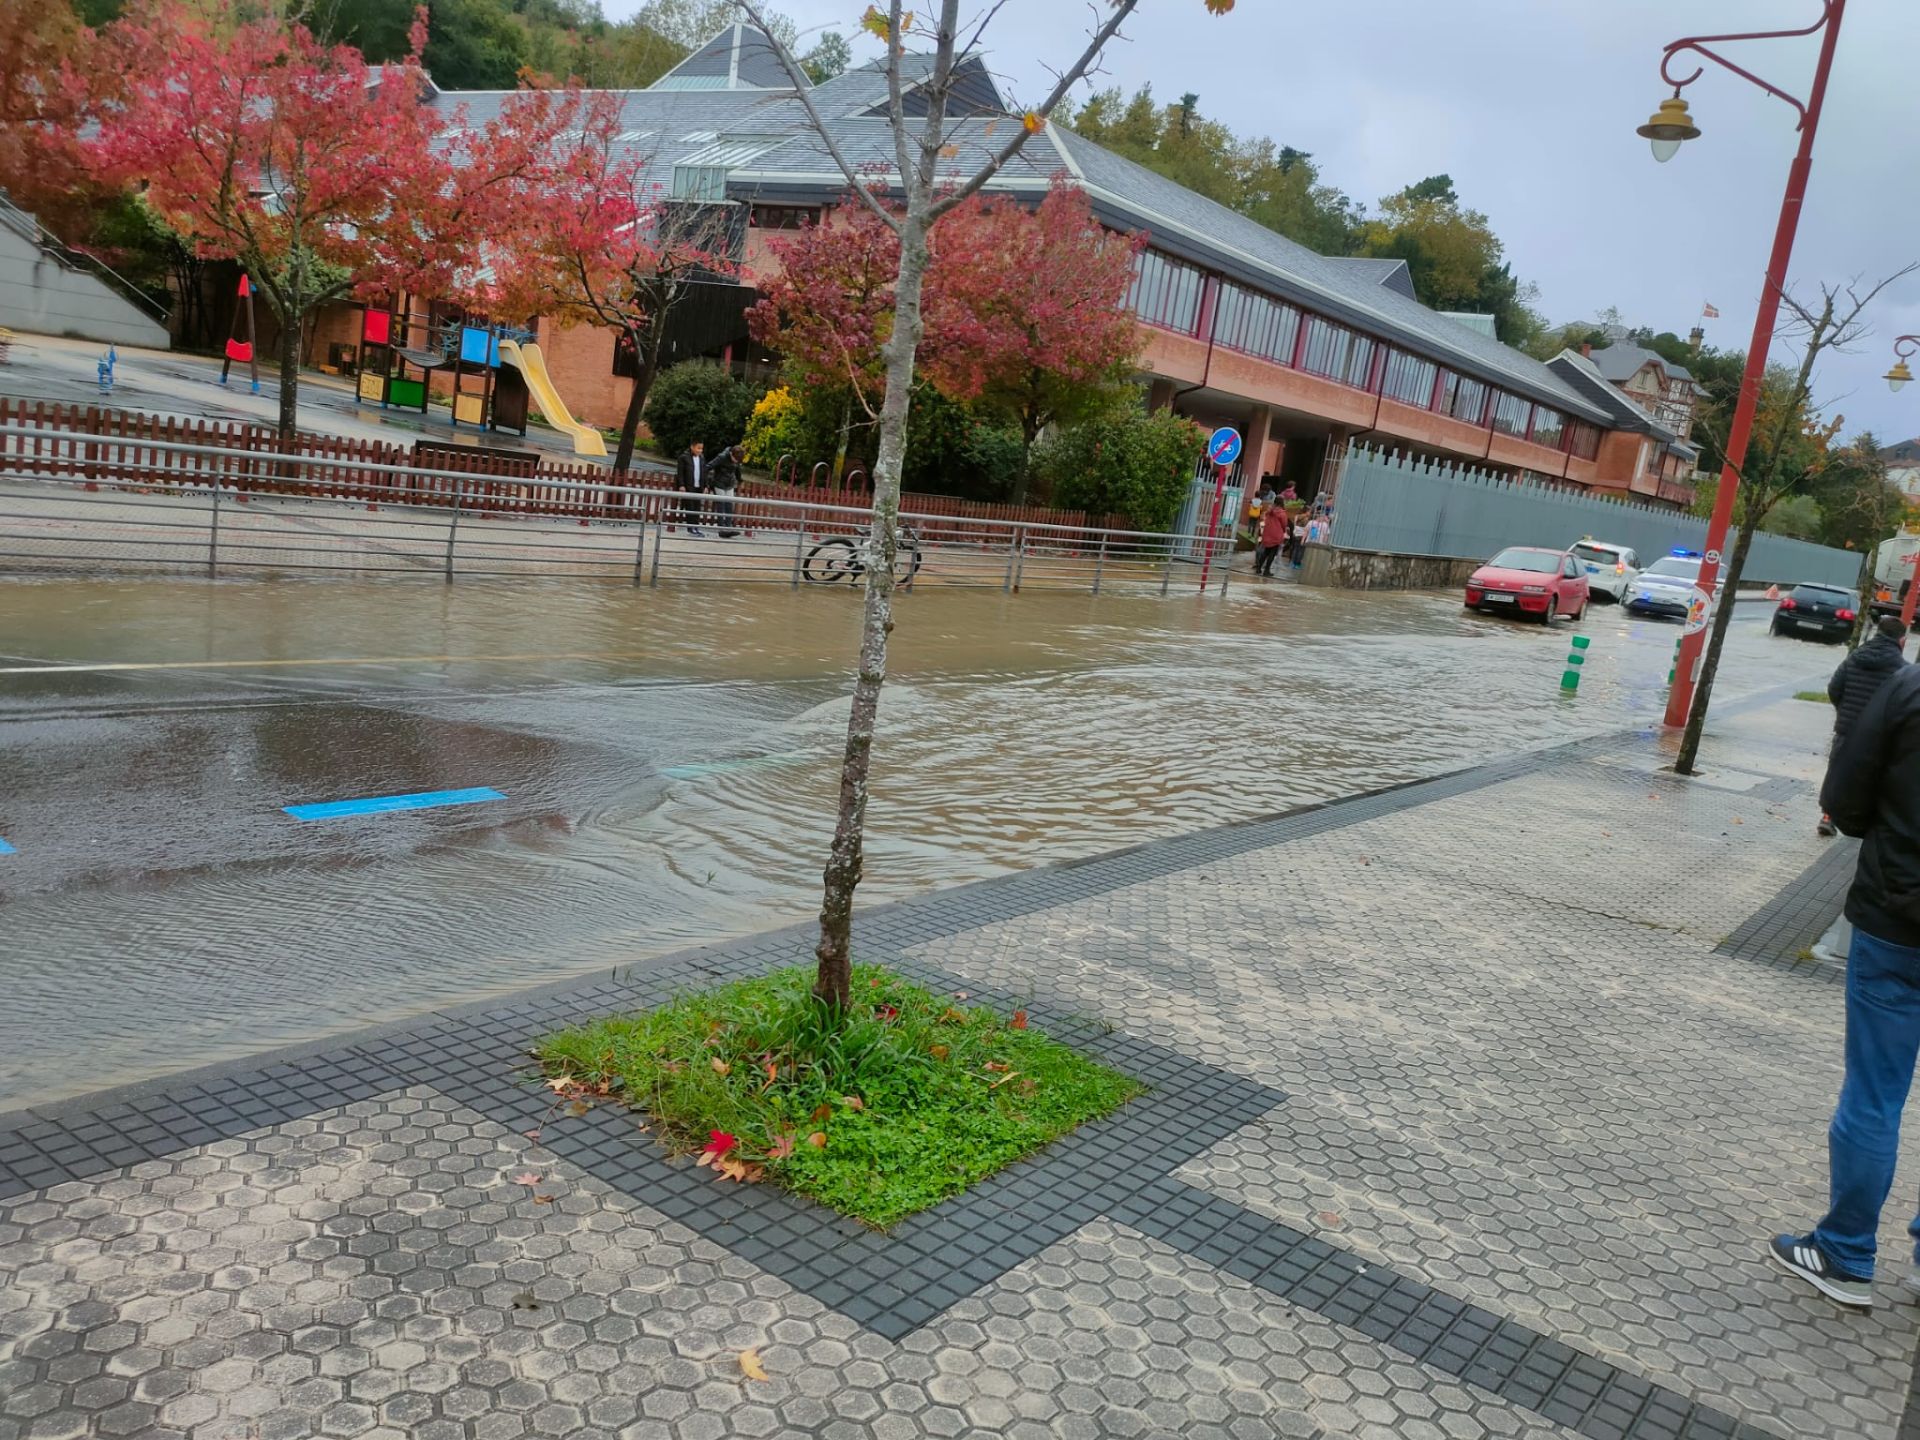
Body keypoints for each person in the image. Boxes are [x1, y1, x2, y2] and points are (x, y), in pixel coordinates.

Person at [1772, 639, 1920, 1309]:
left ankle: (1845, 1252)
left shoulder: (1909, 690)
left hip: (1898, 921)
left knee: (1873, 1094)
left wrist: (1882, 834)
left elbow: (1846, 793)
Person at [1821, 617, 1909, 835]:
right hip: (1876, 734)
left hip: (1846, 728)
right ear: (1902, 640)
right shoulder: (1901, 669)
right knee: (1869, 776)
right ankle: (1862, 820)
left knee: (1837, 771)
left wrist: (1844, 712)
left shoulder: (1855, 657)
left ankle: (1827, 816)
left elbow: (1834, 688)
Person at [707, 444, 743, 539]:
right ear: (731, 454)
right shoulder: (721, 457)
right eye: (735, 459)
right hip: (719, 483)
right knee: (721, 504)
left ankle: (728, 526)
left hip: (729, 484)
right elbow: (708, 466)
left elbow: (737, 469)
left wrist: (739, 479)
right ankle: (721, 528)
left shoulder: (737, 459)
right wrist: (706, 483)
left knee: (729, 505)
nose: (735, 461)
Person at [674, 441, 706, 535]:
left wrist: (705, 485)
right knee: (690, 507)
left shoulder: (702, 458)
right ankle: (690, 527)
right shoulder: (684, 457)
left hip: (698, 487)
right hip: (689, 486)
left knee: (697, 508)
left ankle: (696, 527)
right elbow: (680, 473)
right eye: (698, 448)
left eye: (701, 448)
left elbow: (704, 472)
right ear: (692, 447)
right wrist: (681, 485)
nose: (700, 450)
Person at [1254, 501, 1287, 577]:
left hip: (1267, 534)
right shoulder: (1282, 513)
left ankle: (1258, 568)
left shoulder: (1269, 512)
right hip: (1276, 535)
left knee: (1266, 552)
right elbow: (1284, 524)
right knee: (1272, 553)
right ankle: (1266, 570)